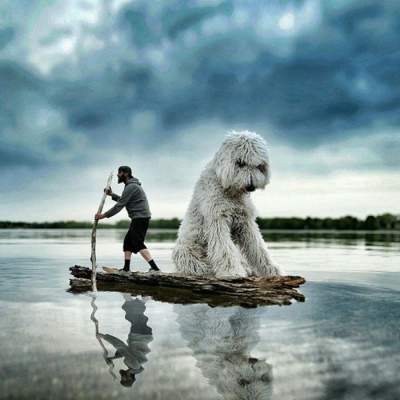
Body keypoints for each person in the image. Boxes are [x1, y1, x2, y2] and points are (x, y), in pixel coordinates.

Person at [95, 165, 160, 273]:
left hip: (141, 218)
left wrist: (103, 215)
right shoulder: (130, 186)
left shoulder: (131, 187)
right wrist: (111, 194)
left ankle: (155, 269)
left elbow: (119, 206)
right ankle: (126, 269)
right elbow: (124, 200)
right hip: (138, 218)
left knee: (138, 243)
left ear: (126, 174)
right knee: (128, 243)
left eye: (119, 173)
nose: (117, 175)